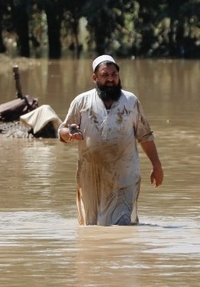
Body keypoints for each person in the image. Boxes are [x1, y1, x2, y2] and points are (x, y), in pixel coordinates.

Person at [58, 55, 164, 226]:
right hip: (90, 177)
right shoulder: (82, 101)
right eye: (105, 75)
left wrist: (156, 165)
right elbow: (62, 131)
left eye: (114, 75)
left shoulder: (131, 102)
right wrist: (70, 133)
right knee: (91, 227)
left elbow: (145, 136)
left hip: (125, 177)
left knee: (122, 225)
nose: (110, 79)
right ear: (95, 78)